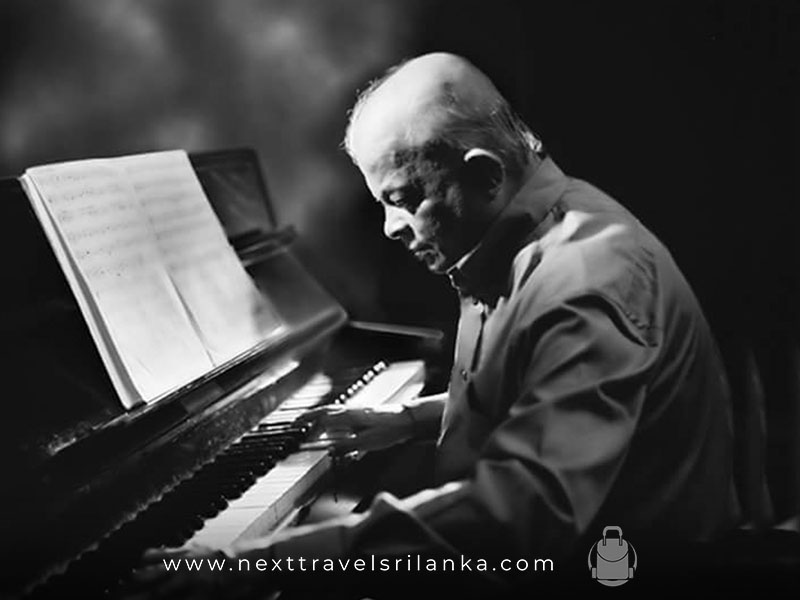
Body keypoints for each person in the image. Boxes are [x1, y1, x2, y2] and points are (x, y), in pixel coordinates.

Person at [137, 52, 740, 596]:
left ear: (484, 176)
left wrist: (259, 562)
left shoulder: (583, 280)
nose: (388, 228)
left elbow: (521, 514)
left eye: (401, 199)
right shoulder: (530, 232)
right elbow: (532, 383)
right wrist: (409, 419)